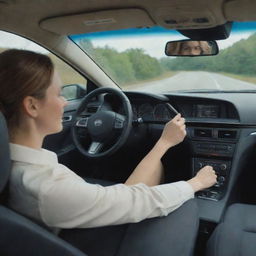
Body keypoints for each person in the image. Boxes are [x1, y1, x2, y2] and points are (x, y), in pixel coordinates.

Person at [0, 49, 217, 256]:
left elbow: (125, 196)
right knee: (186, 206)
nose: (65, 102)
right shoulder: (46, 188)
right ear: (32, 106)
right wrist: (196, 183)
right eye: (59, 93)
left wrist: (163, 144)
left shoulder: (15, 166)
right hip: (80, 240)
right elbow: (136, 201)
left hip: (68, 229)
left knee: (152, 170)